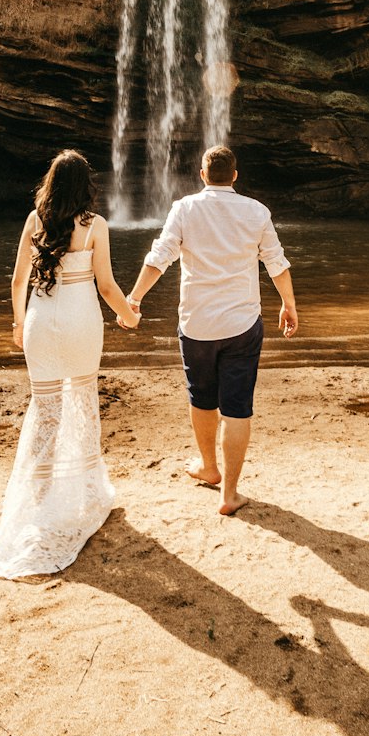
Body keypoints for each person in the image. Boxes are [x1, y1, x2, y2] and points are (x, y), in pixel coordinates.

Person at [0, 149, 140, 579]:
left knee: (46, 410)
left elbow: (18, 280)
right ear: (86, 186)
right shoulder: (94, 226)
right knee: (83, 403)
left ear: (50, 184)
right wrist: (129, 315)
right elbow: (106, 286)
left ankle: (38, 496)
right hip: (79, 322)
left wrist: (18, 323)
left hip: (40, 322)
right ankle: (87, 493)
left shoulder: (35, 221)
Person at [121, 145, 297, 516]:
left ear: (202, 175)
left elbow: (160, 257)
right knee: (237, 408)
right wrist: (289, 304)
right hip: (241, 324)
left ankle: (208, 466)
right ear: (235, 175)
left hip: (197, 323)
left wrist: (133, 298)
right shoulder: (256, 211)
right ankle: (229, 494)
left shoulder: (184, 208)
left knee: (201, 397)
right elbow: (276, 263)